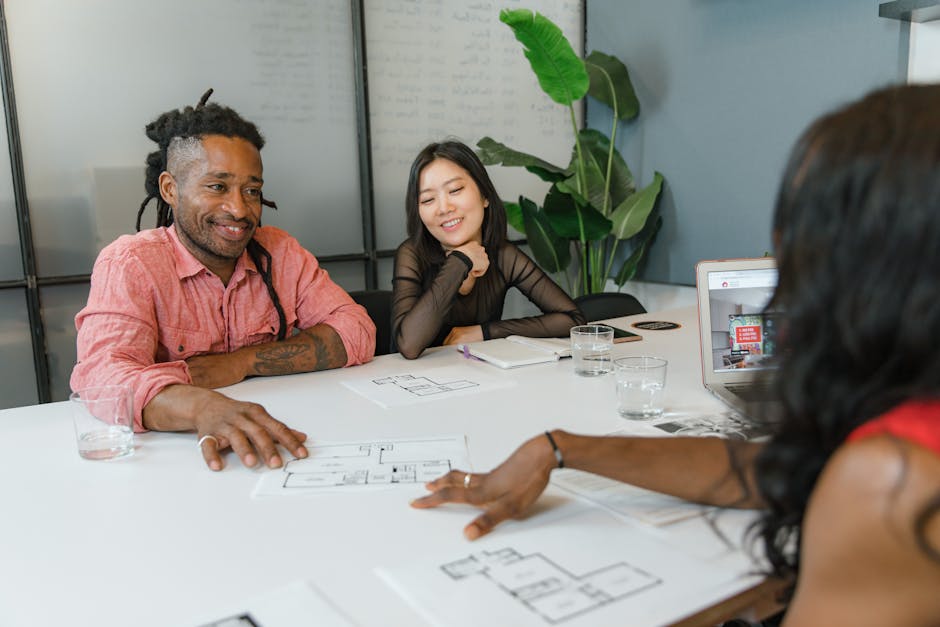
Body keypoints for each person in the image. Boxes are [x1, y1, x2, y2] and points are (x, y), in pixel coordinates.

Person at [412, 85, 940, 623]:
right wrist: (560, 447)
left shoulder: (891, 480)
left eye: (806, 235)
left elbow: (569, 317)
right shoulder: (898, 422)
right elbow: (777, 471)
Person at [71, 90, 376, 471]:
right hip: (173, 466)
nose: (239, 209)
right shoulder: (131, 263)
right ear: (170, 189)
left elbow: (356, 331)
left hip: (289, 445)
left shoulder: (279, 251)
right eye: (217, 186)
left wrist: (240, 363)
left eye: (252, 190)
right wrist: (201, 405)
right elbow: (104, 380)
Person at [392, 140, 585, 359]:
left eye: (455, 190)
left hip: (480, 379)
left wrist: (486, 332)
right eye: (428, 199)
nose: (444, 208)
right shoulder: (412, 254)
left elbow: (572, 319)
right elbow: (408, 344)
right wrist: (461, 260)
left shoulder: (503, 256)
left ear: (485, 196)